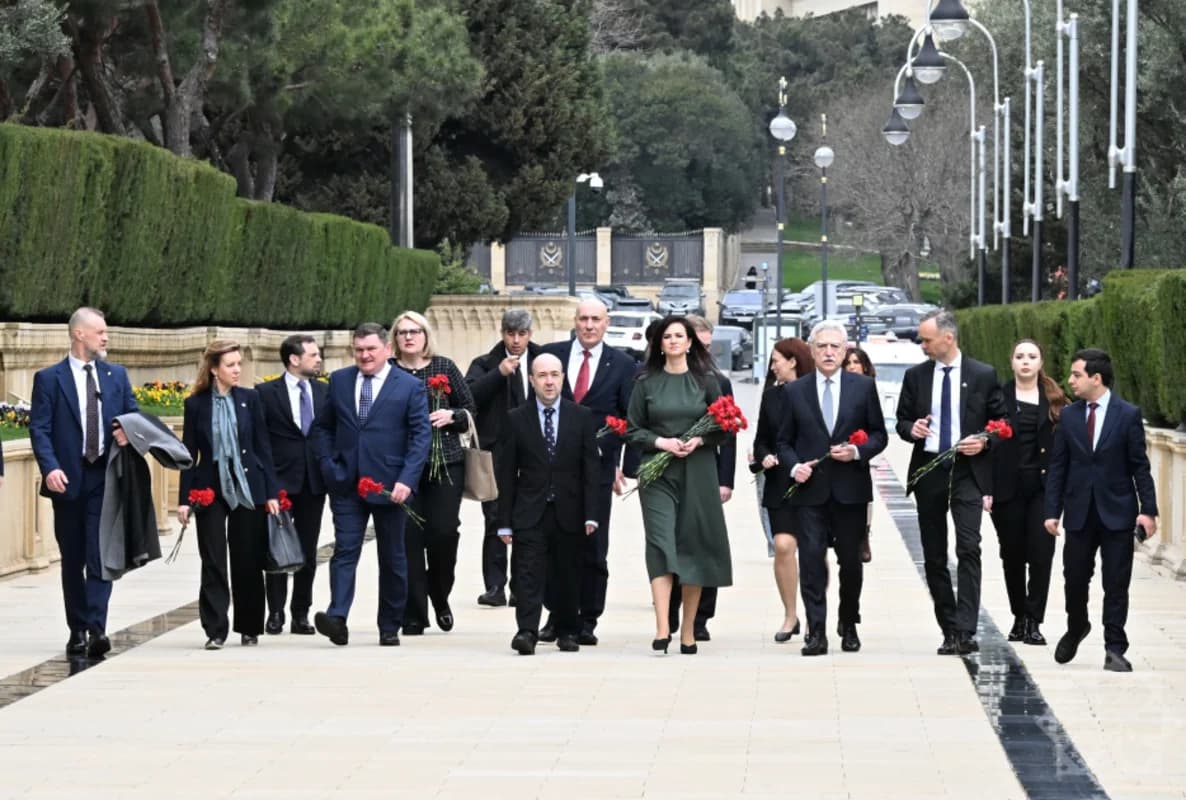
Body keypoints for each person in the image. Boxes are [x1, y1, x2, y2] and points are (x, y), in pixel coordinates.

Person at [309, 322, 431, 647]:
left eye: (371, 349)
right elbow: (322, 428)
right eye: (359, 350)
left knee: (392, 557)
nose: (364, 356)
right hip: (346, 483)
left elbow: (421, 437)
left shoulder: (408, 386)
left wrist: (407, 479)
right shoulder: (339, 380)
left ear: (387, 350)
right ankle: (337, 618)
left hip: (390, 486)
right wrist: (328, 464)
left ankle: (389, 625)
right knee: (345, 550)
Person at [896, 309, 1007, 656]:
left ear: (948, 338)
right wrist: (911, 429)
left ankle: (967, 627)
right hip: (930, 468)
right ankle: (949, 627)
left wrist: (986, 440)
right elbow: (901, 420)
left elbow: (1001, 422)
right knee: (933, 554)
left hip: (967, 471)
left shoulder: (983, 374)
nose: (922, 345)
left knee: (969, 547)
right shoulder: (916, 376)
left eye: (927, 340)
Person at [30, 307, 138, 658]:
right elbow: (40, 428)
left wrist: (127, 432)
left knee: (100, 554)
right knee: (73, 557)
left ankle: (96, 627)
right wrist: (49, 468)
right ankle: (77, 628)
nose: (106, 337)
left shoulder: (116, 375)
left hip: (105, 477)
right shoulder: (49, 379)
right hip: (68, 480)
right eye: (100, 332)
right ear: (79, 335)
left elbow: (133, 416)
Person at [1044, 348, 1159, 672]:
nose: (1070, 381)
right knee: (1075, 579)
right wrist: (1051, 511)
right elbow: (1058, 467)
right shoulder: (1068, 415)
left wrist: (1148, 511)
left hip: (1117, 512)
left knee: (1116, 582)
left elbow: (1140, 466)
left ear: (1096, 378)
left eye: (1076, 375)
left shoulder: (1127, 414)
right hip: (1079, 512)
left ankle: (1114, 648)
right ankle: (1077, 625)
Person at [777, 321, 887, 656]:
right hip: (810, 491)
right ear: (811, 351)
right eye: (822, 346)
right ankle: (817, 631)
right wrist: (794, 466)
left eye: (835, 347)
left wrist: (857, 451)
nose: (828, 352)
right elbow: (783, 440)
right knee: (811, 559)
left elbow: (879, 434)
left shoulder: (862, 387)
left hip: (850, 489)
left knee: (851, 562)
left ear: (845, 351)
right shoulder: (796, 391)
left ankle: (849, 621)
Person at [626, 316, 733, 655]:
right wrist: (661, 443)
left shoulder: (707, 382)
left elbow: (724, 428)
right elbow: (632, 430)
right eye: (667, 336)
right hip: (657, 474)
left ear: (690, 343)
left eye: (679, 336)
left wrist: (699, 441)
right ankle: (662, 627)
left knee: (693, 545)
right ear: (659, 344)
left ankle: (688, 630)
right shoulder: (645, 383)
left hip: (698, 471)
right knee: (660, 541)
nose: (673, 341)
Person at [538, 299, 637, 645]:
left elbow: (628, 420)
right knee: (552, 543)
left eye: (596, 319)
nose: (589, 325)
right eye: (583, 319)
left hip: (597, 471)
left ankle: (587, 619)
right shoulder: (551, 357)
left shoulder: (624, 365)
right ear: (575, 321)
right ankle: (556, 615)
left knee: (592, 546)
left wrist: (617, 462)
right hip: (551, 470)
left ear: (606, 322)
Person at [178, 340, 281, 649]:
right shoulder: (195, 404)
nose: (237, 370)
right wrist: (184, 500)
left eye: (239, 364)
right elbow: (188, 454)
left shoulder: (251, 399)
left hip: (248, 488)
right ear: (213, 370)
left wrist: (272, 492)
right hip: (209, 488)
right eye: (231, 365)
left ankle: (249, 627)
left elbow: (263, 448)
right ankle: (215, 630)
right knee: (213, 559)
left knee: (248, 557)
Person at [496, 354, 600, 655]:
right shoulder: (516, 418)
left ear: (563, 377)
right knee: (527, 572)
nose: (549, 381)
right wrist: (504, 520)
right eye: (542, 375)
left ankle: (568, 630)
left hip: (570, 510)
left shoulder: (581, 416)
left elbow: (590, 470)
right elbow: (507, 475)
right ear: (532, 380)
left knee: (567, 573)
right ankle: (526, 631)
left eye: (554, 374)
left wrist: (592, 514)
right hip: (530, 511)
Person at [390, 311, 476, 635]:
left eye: (415, 331)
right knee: (409, 538)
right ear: (395, 339)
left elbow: (470, 409)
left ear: (426, 335)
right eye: (402, 332)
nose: (409, 337)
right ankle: (414, 613)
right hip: (403, 467)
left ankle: (439, 595)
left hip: (446, 462)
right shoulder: (390, 372)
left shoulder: (444, 367)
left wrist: (452, 415)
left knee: (443, 533)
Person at [986, 340, 1067, 646]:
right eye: (1019, 356)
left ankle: (1034, 620)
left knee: (1042, 554)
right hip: (1007, 489)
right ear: (1011, 362)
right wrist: (987, 490)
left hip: (1044, 490)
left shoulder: (1056, 399)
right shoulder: (998, 397)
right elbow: (987, 446)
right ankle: (1019, 617)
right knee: (1012, 555)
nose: (1025, 362)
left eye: (1032, 357)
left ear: (1040, 362)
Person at [666, 314, 735, 643]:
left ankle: (701, 617)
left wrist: (726, 480)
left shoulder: (717, 381)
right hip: (669, 468)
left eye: (708, 347)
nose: (704, 354)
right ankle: (671, 611)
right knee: (672, 541)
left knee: (704, 540)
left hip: (704, 470)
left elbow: (729, 432)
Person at [465, 309, 541, 608]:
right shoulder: (485, 363)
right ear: (502, 333)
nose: (516, 340)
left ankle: (522, 585)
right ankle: (495, 585)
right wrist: (500, 374)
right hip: (495, 454)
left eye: (522, 334)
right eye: (511, 333)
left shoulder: (542, 360)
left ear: (529, 334)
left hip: (534, 451)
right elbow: (469, 397)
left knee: (528, 520)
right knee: (495, 518)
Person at [257, 334, 329, 636]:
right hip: (279, 483)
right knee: (277, 548)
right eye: (312, 355)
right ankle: (275, 613)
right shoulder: (265, 393)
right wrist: (267, 486)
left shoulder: (324, 392)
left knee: (308, 551)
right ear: (294, 359)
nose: (318, 359)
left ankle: (301, 613)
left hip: (314, 482)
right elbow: (259, 441)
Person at [752, 337, 814, 643]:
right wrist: (764, 455)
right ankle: (791, 614)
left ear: (793, 361)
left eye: (776, 359)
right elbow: (761, 438)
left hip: (814, 481)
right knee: (784, 546)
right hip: (780, 482)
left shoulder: (817, 392)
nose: (772, 365)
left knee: (815, 551)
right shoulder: (772, 396)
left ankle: (817, 614)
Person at [843, 346, 877, 564]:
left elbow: (877, 429)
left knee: (863, 497)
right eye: (848, 363)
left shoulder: (869, 389)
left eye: (856, 362)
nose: (852, 367)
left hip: (858, 454)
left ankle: (864, 534)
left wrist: (861, 447)